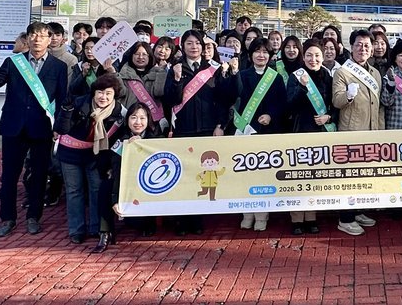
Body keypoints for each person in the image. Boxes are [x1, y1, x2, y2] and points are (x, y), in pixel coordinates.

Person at [0, 22, 69, 237]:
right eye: (33, 35)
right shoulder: (14, 62)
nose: (37, 39)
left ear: (50, 40)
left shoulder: (59, 66)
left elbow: (62, 98)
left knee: (39, 175)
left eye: (42, 35)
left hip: (42, 127)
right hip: (14, 126)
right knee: (9, 175)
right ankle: (7, 218)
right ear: (27, 39)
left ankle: (33, 217)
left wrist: (59, 126)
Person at [164, 29, 237, 235]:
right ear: (182, 46)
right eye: (189, 43)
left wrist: (220, 125)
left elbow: (224, 100)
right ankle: (181, 220)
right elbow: (170, 100)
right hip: (184, 129)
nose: (194, 47)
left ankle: (196, 219)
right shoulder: (176, 68)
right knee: (184, 175)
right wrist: (177, 79)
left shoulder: (213, 69)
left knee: (202, 175)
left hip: (207, 129)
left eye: (197, 43)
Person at [58, 73, 126, 250]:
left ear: (114, 95)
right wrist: (66, 110)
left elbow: (118, 139)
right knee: (74, 191)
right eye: (100, 93)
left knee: (96, 189)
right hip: (70, 153)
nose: (103, 97)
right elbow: (61, 129)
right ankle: (76, 230)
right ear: (93, 93)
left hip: (96, 156)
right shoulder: (80, 104)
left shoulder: (119, 112)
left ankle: (97, 228)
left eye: (108, 93)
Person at [332, 30, 384, 235]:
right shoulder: (342, 72)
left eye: (367, 45)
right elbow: (336, 101)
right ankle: (345, 219)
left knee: (364, 175)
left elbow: (378, 106)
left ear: (371, 49)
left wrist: (380, 130)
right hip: (351, 131)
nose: (363, 49)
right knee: (350, 177)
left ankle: (358, 211)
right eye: (359, 45)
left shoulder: (375, 73)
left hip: (372, 130)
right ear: (351, 47)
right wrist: (348, 95)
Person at [233, 38, 288, 232]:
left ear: (270, 56)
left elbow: (282, 103)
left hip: (268, 131)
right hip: (246, 130)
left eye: (265, 52)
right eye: (257, 51)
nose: (261, 55)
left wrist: (271, 115)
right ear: (250, 55)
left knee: (264, 175)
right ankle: (247, 213)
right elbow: (235, 101)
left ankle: (262, 215)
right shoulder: (242, 75)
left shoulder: (276, 77)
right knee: (246, 174)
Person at [285, 39, 336, 234]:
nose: (313, 59)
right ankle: (297, 219)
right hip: (300, 131)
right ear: (303, 56)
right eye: (309, 55)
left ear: (322, 57)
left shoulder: (327, 76)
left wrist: (328, 116)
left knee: (315, 176)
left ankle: (312, 217)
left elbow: (335, 105)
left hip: (321, 132)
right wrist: (302, 87)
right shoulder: (296, 76)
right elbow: (289, 105)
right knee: (299, 176)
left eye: (317, 55)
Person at [113, 103, 161, 237]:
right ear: (127, 119)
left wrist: (143, 145)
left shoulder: (156, 137)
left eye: (142, 118)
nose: (138, 122)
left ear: (148, 120)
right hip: (128, 184)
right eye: (133, 117)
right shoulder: (120, 138)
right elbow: (116, 169)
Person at [118, 41, 168, 134]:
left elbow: (159, 92)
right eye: (137, 54)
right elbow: (120, 93)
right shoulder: (122, 74)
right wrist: (112, 73)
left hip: (153, 122)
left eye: (144, 54)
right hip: (128, 121)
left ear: (150, 56)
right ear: (131, 56)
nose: (140, 57)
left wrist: (161, 72)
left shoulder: (158, 73)